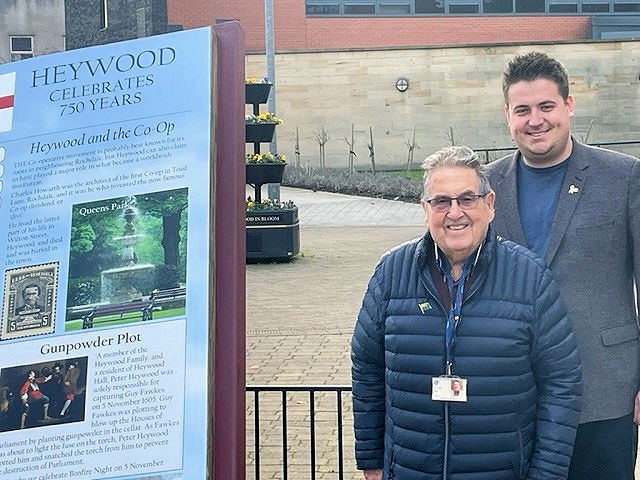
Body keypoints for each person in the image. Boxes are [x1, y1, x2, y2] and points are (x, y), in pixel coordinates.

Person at [351, 145, 582, 480]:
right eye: (441, 201)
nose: (454, 212)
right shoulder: (391, 272)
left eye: (467, 199)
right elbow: (366, 367)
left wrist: (547, 474)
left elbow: (562, 382)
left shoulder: (529, 276)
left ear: (488, 206)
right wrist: (372, 460)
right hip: (411, 469)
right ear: (425, 209)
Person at [486, 51, 640, 480]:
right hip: (511, 394)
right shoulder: (485, 186)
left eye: (546, 106)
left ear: (569, 105)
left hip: (605, 390)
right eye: (523, 110)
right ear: (507, 115)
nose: (535, 120)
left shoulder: (625, 177)